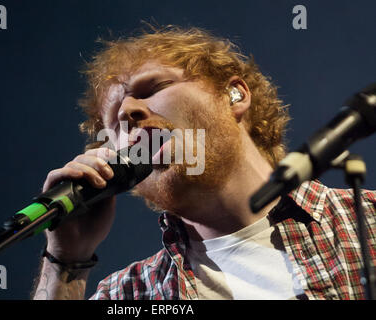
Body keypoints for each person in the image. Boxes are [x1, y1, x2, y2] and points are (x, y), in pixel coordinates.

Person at [32, 26, 376, 300]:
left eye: (153, 87)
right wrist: (66, 261)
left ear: (234, 95)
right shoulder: (128, 295)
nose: (127, 112)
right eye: (113, 120)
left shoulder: (370, 221)